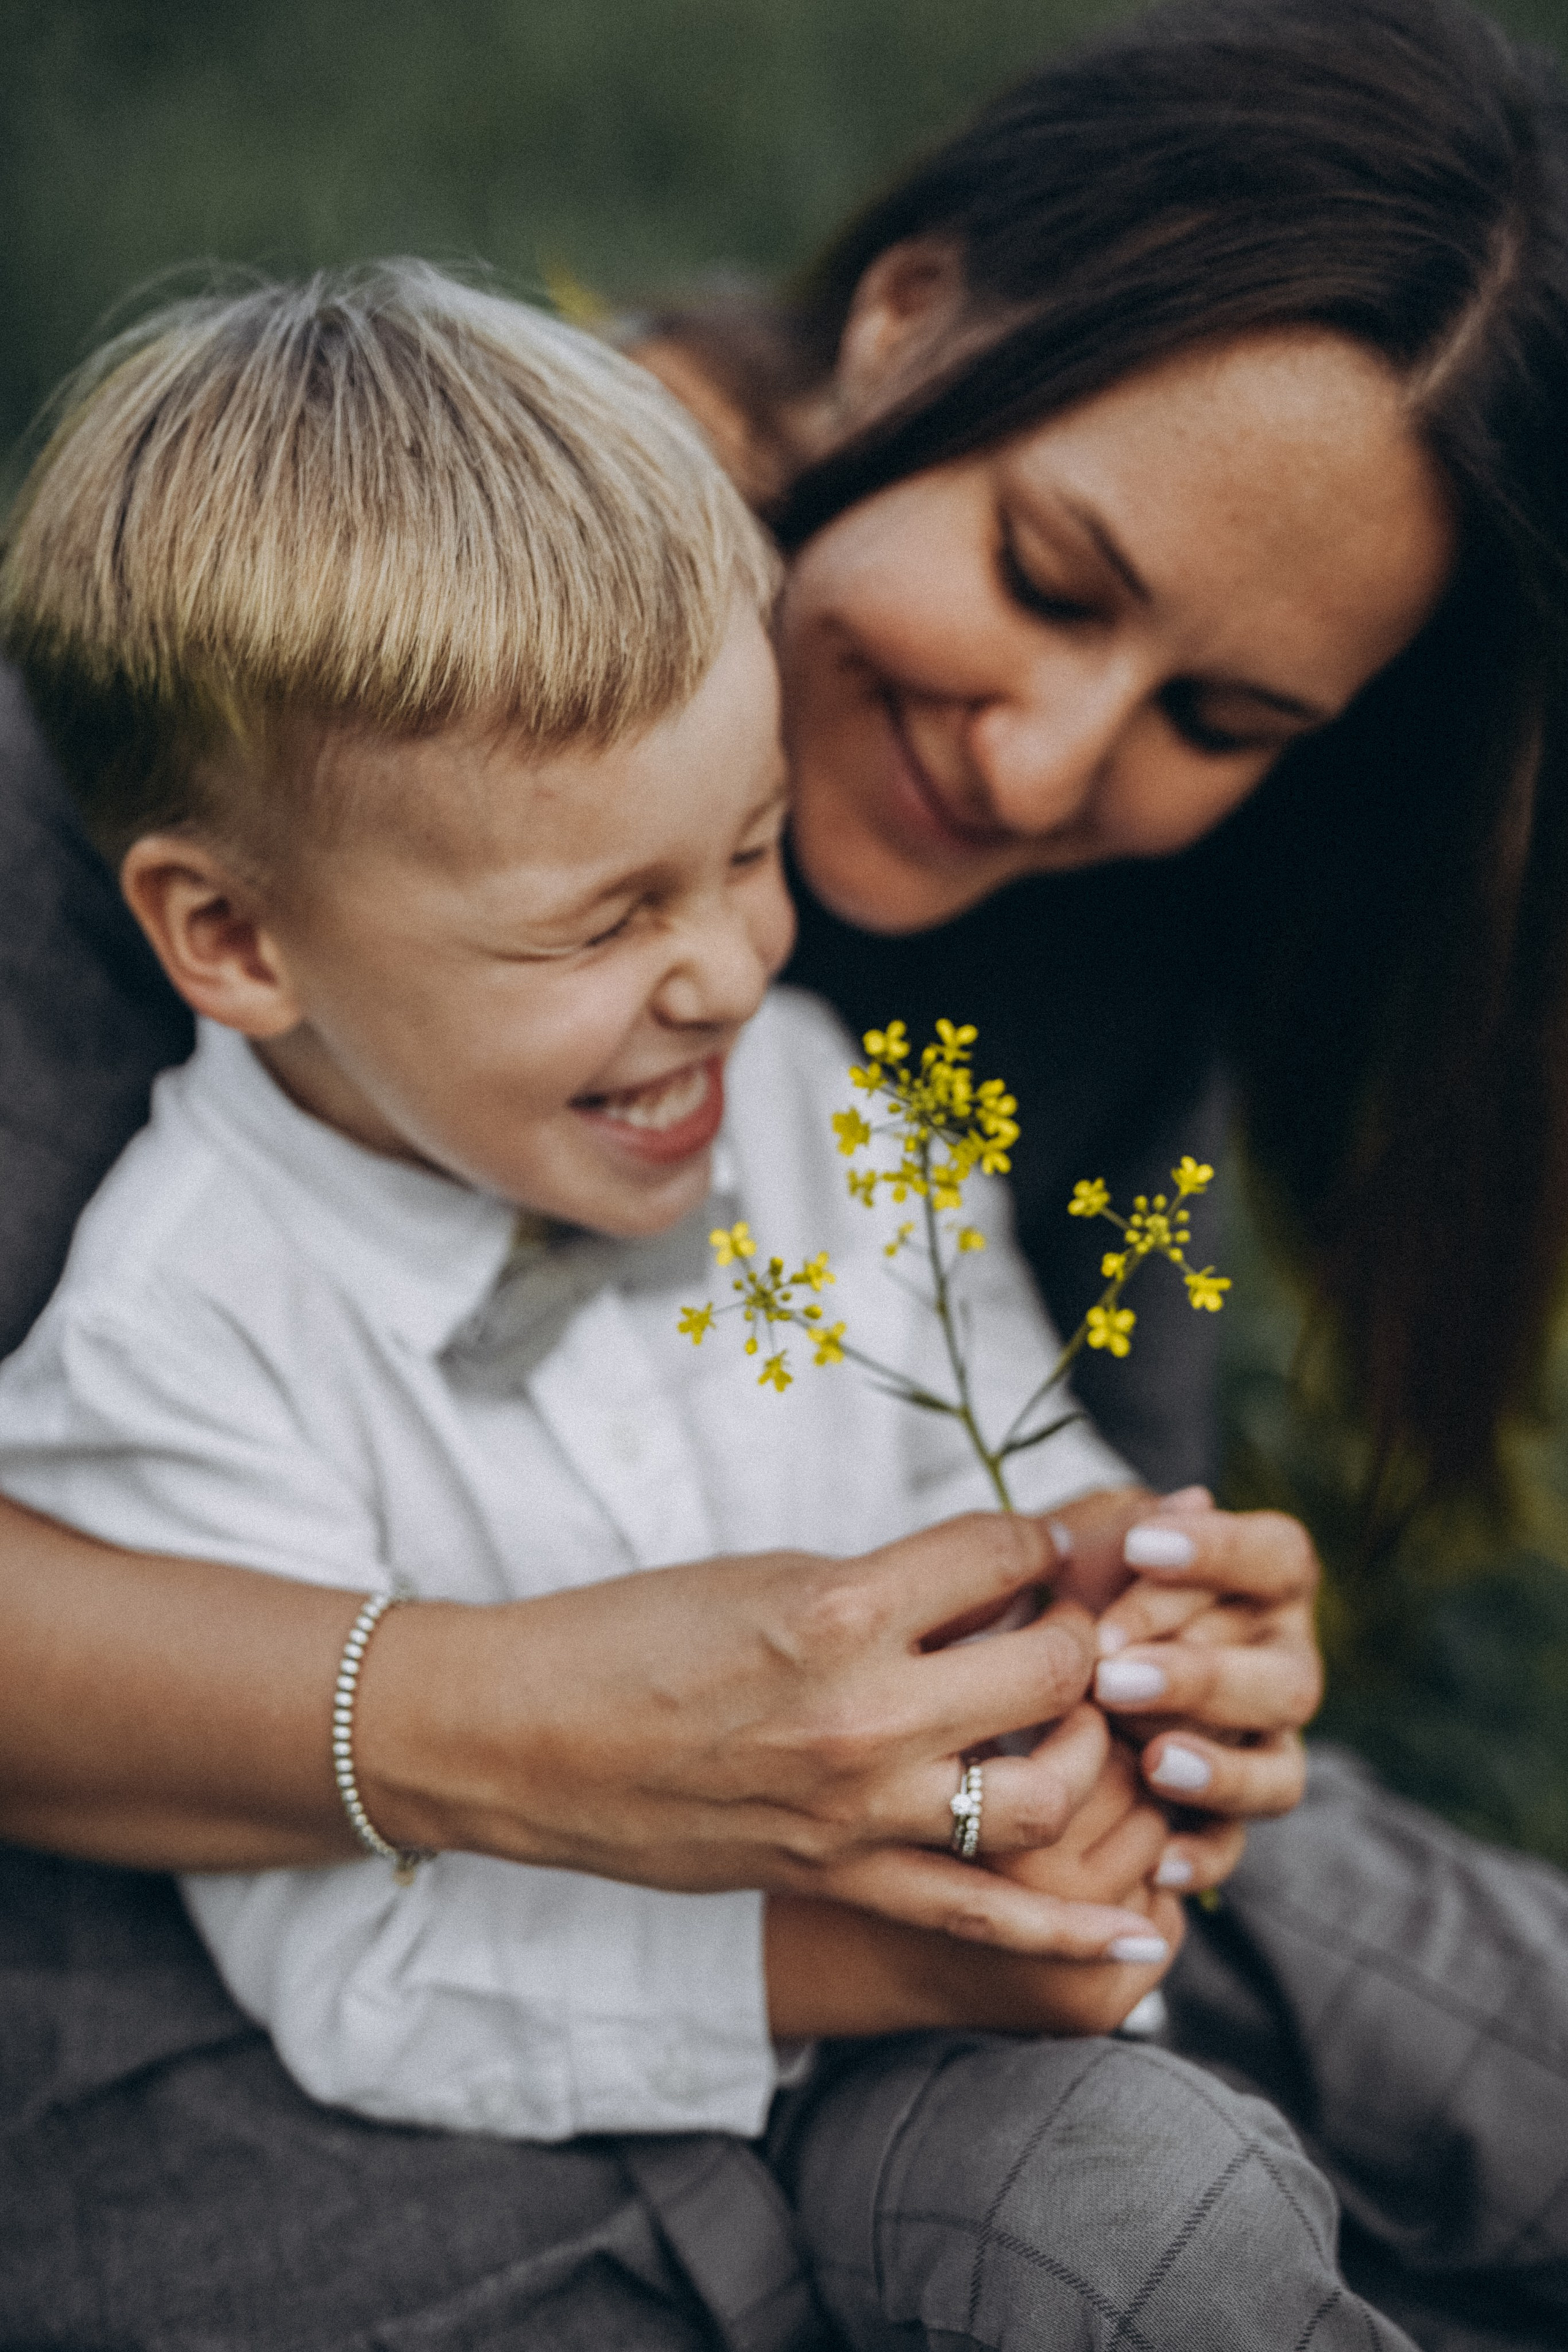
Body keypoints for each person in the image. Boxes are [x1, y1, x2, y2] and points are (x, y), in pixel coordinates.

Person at [1, 1, 1564, 2346]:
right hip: (322, 1982)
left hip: (987, 1920)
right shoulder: (248, 743)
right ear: (906, 316)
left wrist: (1168, 1632)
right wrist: (503, 1729)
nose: (1046, 770)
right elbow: (370, 1944)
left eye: (1222, 721)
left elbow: (1054, 1452)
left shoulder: (883, 1040)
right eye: (1048, 575)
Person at [0, 266, 1188, 2142]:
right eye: (605, 920)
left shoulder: (807, 1095)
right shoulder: (187, 1333)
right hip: (733, 2093)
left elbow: (997, 1442)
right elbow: (357, 1966)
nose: (730, 967)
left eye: (749, 849)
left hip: (1058, 1936)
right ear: (230, 936)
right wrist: (899, 1958)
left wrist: (1124, 1604)